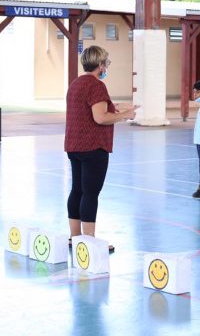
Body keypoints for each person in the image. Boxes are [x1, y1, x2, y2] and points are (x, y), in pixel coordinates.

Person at [65, 45, 137, 253]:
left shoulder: (76, 84)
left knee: (77, 189)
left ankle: (74, 237)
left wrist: (119, 110)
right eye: (105, 63)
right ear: (100, 65)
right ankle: (89, 241)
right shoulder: (96, 86)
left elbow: (93, 110)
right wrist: (125, 115)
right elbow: (100, 117)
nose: (106, 67)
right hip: (93, 147)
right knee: (90, 193)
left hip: (74, 145)